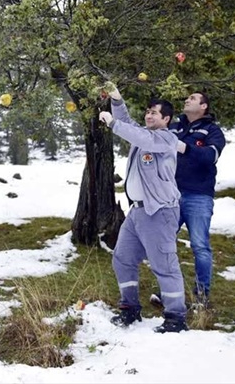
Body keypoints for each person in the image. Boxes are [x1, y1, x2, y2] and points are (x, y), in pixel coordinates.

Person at [98, 82, 188, 334]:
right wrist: (116, 101)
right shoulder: (144, 137)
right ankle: (130, 308)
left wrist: (113, 124)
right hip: (137, 212)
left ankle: (176, 317)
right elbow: (130, 126)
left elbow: (134, 133)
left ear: (166, 119)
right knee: (122, 258)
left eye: (154, 112)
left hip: (160, 211)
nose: (149, 115)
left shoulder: (166, 139)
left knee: (164, 264)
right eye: (147, 111)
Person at [168, 92, 226, 306]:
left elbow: (210, 156)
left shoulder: (213, 131)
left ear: (203, 106)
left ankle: (201, 294)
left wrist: (185, 148)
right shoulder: (174, 127)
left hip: (198, 195)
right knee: (164, 243)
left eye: (192, 98)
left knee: (200, 245)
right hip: (170, 195)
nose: (186, 100)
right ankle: (168, 291)